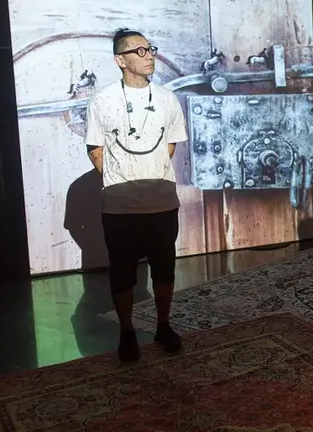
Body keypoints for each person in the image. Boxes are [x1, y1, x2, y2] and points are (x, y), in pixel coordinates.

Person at [84, 28, 187, 361]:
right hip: (120, 206)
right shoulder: (102, 101)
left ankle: (163, 324)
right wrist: (123, 180)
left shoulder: (168, 98)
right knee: (122, 271)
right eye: (139, 51)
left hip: (161, 200)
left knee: (165, 268)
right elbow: (95, 149)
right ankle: (126, 331)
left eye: (150, 49)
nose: (148, 55)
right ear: (120, 60)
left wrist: (148, 176)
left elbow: (170, 145)